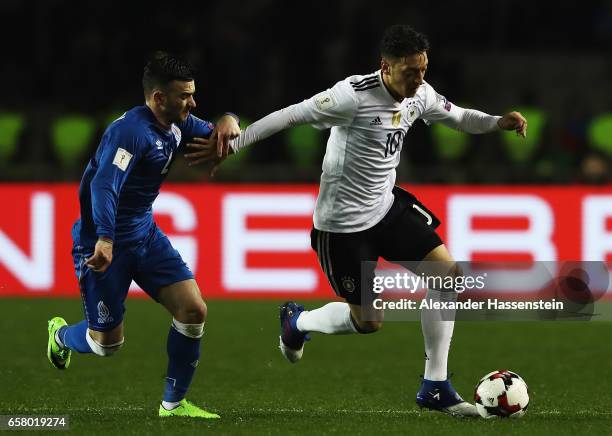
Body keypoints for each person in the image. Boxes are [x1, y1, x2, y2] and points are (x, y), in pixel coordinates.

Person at [186, 24, 527, 417]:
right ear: (386, 66)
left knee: (447, 276)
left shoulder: (421, 94)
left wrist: (497, 121)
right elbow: (289, 116)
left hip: (386, 209)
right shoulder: (351, 96)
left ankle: (435, 386)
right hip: (342, 227)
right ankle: (298, 322)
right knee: (368, 322)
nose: (419, 80)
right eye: (410, 72)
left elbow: (460, 117)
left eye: (423, 69)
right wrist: (236, 143)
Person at [46, 51, 240, 419]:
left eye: (193, 94)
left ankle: (173, 404)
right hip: (102, 245)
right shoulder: (130, 133)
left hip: (145, 235)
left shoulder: (176, 123)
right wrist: (105, 238)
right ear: (159, 99)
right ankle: (60, 336)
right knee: (106, 345)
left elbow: (218, 130)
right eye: (185, 96)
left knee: (193, 309)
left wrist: (230, 119)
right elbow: (105, 184)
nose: (193, 102)